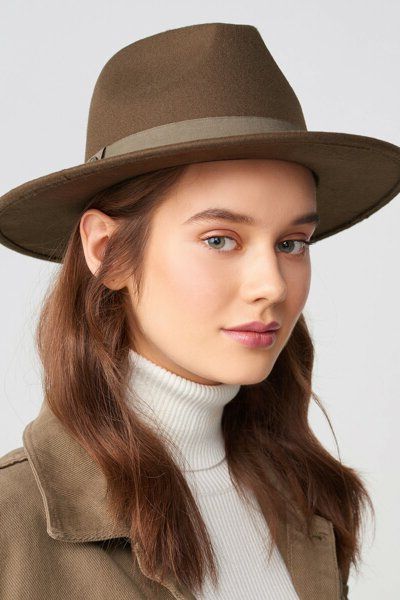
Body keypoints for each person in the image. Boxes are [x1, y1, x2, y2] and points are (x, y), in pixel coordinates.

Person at [0, 22, 399, 600]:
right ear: (106, 251)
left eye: (292, 243)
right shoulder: (12, 527)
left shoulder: (307, 501)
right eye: (220, 239)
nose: (271, 285)